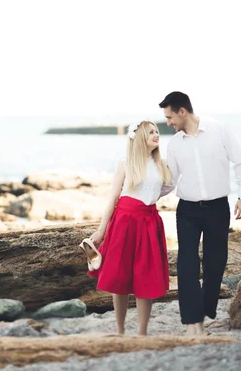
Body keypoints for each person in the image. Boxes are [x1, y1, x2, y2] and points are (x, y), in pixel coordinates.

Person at [158, 91, 241, 335]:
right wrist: (144, 197)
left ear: (183, 111)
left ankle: (204, 310)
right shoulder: (175, 143)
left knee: (215, 264)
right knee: (186, 265)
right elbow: (171, 181)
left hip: (218, 208)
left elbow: (240, 163)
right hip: (187, 210)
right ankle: (192, 324)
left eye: (170, 117)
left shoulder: (218, 130)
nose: (168, 123)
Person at [82, 120, 174, 335]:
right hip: (124, 221)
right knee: (119, 277)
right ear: (140, 136)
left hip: (149, 221)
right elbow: (113, 197)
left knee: (146, 276)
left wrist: (148, 199)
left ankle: (142, 332)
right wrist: (101, 231)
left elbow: (169, 185)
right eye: (151, 132)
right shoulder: (125, 162)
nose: (156, 134)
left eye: (157, 131)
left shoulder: (162, 163)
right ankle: (120, 330)